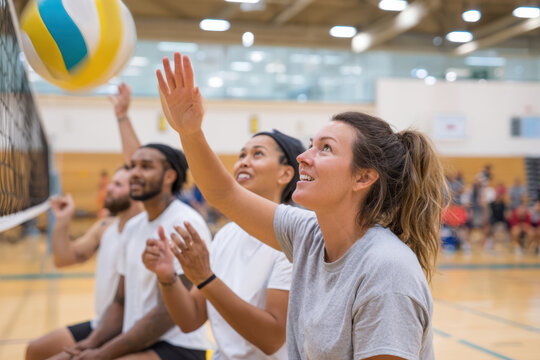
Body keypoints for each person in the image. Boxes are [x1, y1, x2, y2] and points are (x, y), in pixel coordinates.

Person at [155, 53, 447, 359]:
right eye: (310, 144)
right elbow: (224, 194)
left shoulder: (386, 270)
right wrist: (190, 132)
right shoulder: (309, 235)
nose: (303, 157)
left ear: (363, 178)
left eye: (325, 149)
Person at [143, 129, 304, 359]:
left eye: (257, 154)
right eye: (241, 156)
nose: (243, 163)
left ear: (285, 173)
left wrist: (206, 279)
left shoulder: (293, 237)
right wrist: (166, 277)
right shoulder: (227, 234)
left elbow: (271, 339)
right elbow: (191, 319)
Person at [25, 167, 142, 360]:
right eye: (111, 183)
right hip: (102, 323)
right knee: (36, 350)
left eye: (118, 184)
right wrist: (62, 220)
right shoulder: (105, 227)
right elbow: (63, 259)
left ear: (137, 191)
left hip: (128, 327)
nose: (109, 188)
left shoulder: (145, 230)